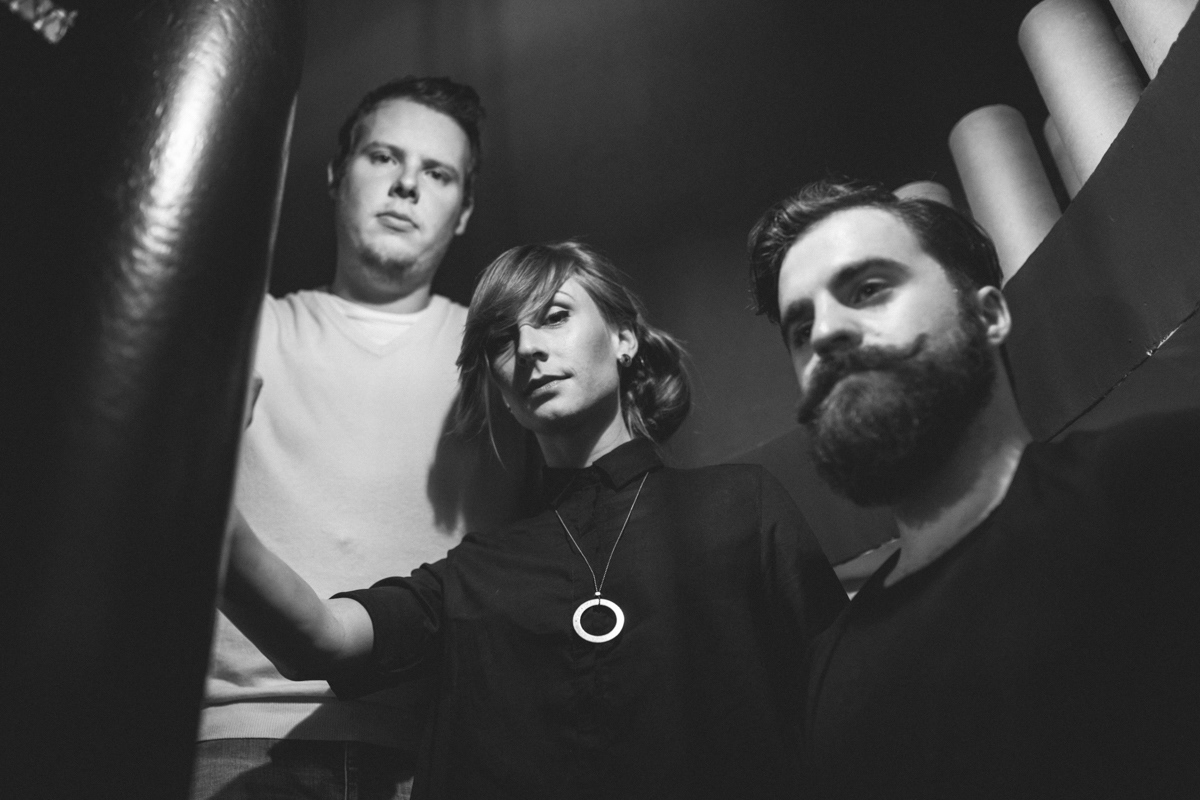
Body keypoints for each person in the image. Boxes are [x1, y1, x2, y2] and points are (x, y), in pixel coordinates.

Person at [219, 240, 848, 799]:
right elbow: (320, 640)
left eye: (554, 316)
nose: (527, 348)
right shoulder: (478, 571)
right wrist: (208, 510)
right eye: (502, 339)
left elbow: (844, 706)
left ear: (623, 338)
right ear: (498, 386)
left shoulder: (740, 506)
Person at [747, 179, 1200, 798]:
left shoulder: (1163, 486)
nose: (824, 334)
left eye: (868, 289)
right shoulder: (832, 669)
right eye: (801, 329)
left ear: (989, 314)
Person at [193, 77, 530, 800]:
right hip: (241, 741)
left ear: (464, 211)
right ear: (336, 174)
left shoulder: (508, 360)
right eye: (383, 157)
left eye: (437, 173)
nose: (407, 185)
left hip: (439, 757)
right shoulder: (241, 329)